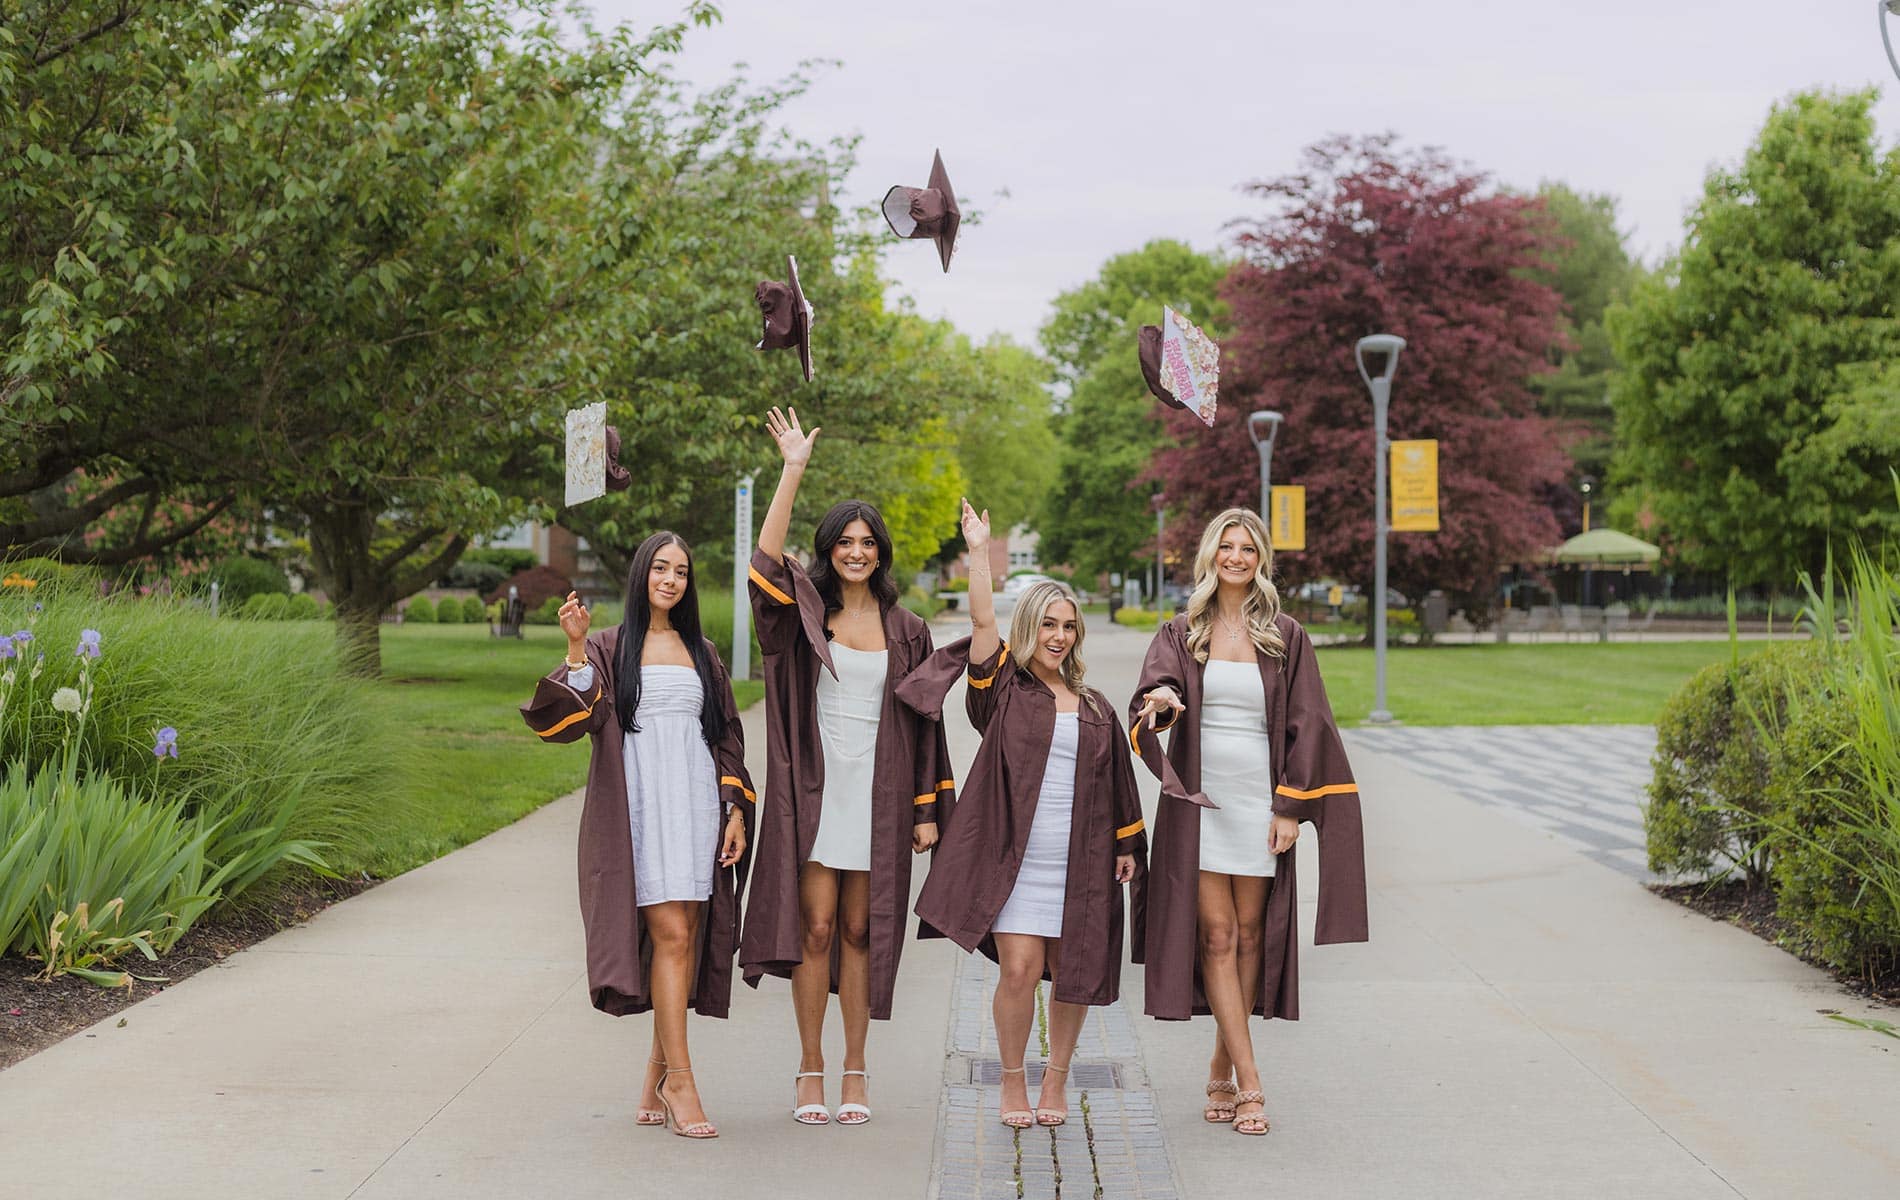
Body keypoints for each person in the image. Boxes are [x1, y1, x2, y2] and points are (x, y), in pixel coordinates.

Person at [898, 501, 1145, 1130]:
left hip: (1080, 860)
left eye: (1068, 626)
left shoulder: (1094, 706)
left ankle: (1056, 1080)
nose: (1059, 636)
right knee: (1020, 967)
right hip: (1016, 857)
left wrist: (1126, 845)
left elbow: (1119, 780)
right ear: (1029, 629)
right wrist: (979, 550)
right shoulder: (1005, 692)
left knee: (1072, 974)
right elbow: (983, 621)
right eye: (1048, 625)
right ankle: (1013, 1080)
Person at [742, 406, 954, 1127]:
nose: (856, 552)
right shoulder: (802, 617)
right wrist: (791, 470)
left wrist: (927, 809)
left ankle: (856, 1070)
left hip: (882, 793)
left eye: (867, 543)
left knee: (864, 930)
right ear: (827, 550)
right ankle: (810, 1070)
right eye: (844, 542)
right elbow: (765, 566)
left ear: (880, 552)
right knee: (817, 929)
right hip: (816, 790)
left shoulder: (907, 629)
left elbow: (928, 724)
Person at [1129, 508, 1368, 1137]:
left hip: (1259, 803)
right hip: (1201, 807)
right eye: (1226, 547)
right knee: (1216, 936)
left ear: (1260, 559)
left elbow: (1309, 721)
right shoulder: (1181, 632)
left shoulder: (1283, 635)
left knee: (1252, 935)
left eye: (1247, 549)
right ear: (1210, 556)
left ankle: (1220, 1063)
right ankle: (1252, 1083)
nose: (1236, 558)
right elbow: (1152, 694)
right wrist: (1160, 703)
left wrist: (1290, 806)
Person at [519, 532, 754, 1140]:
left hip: (696, 801)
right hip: (640, 807)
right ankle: (681, 1078)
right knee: (670, 932)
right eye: (660, 568)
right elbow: (578, 720)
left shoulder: (702, 650)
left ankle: (655, 1070)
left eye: (681, 570)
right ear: (640, 575)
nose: (671, 579)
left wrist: (733, 809)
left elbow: (726, 733)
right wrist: (574, 648)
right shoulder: (608, 646)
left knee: (686, 934)